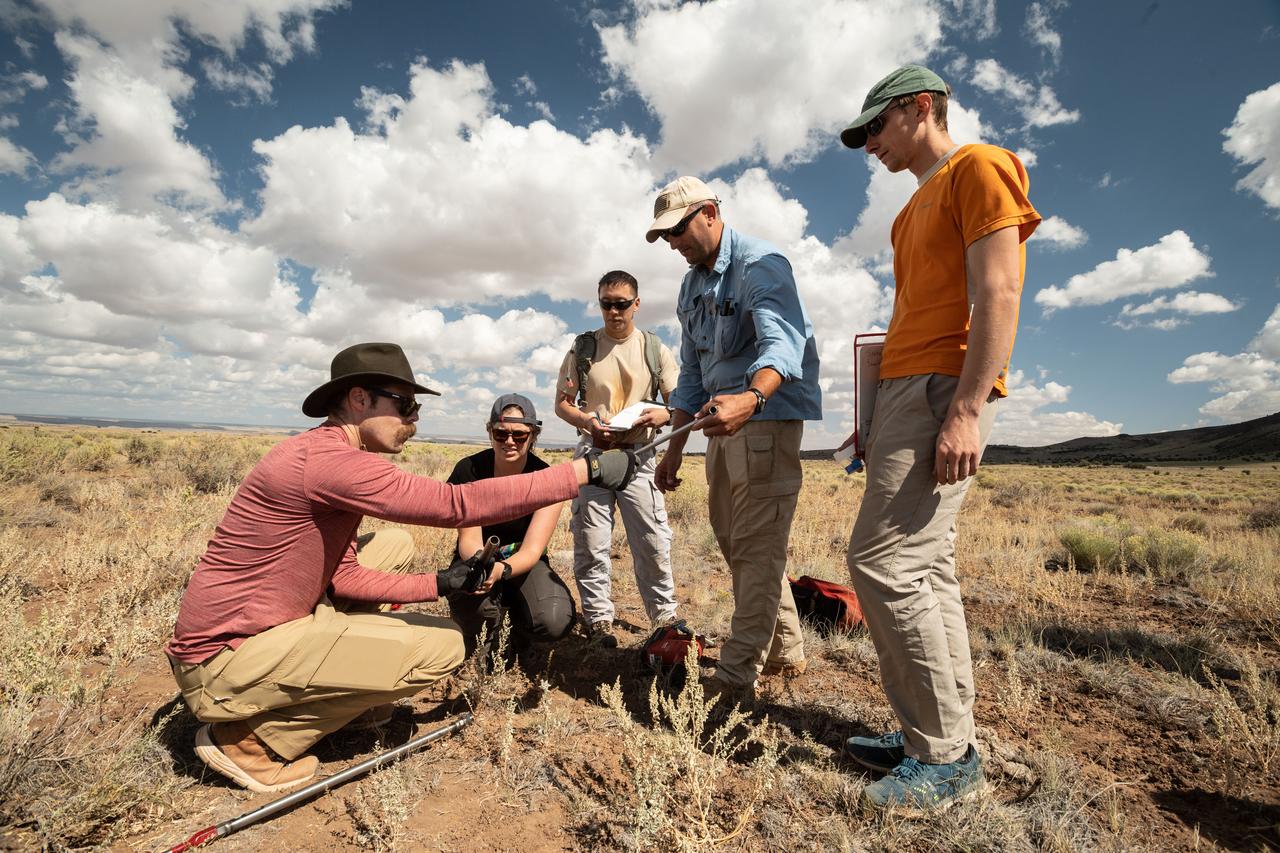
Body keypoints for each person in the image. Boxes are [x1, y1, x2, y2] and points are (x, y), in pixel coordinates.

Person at [165, 343, 636, 793]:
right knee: (444, 646)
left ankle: (347, 688)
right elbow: (456, 505)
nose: (414, 418)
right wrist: (584, 472)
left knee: (392, 544)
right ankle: (252, 743)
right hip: (225, 658)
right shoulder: (333, 462)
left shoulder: (321, 451)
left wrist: (437, 583)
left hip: (247, 633)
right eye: (405, 404)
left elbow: (343, 574)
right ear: (357, 398)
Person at [836, 65, 1041, 812]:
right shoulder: (905, 213)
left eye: (877, 128)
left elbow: (999, 291)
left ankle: (944, 756)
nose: (870, 147)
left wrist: (965, 409)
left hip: (939, 391)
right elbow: (905, 318)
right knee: (927, 570)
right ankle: (937, 735)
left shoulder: (980, 167)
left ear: (921, 107)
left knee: (883, 562)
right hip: (901, 391)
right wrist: (871, 415)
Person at [645, 176, 822, 699]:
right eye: (665, 238)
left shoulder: (760, 264)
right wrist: (674, 451)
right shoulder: (691, 285)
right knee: (737, 543)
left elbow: (782, 344)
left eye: (677, 231)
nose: (673, 244)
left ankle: (736, 676)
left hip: (763, 419)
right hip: (718, 423)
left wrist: (753, 397)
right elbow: (693, 374)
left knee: (756, 549)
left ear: (709, 213)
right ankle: (785, 650)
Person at [554, 270, 681, 648]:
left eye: (621, 304)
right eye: (606, 303)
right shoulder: (583, 348)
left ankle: (665, 620)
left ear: (636, 304)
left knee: (652, 542)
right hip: (594, 454)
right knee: (591, 544)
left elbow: (679, 402)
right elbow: (562, 403)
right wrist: (586, 421)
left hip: (639, 456)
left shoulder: (654, 349)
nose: (614, 311)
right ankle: (598, 622)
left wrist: (665, 414)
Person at [446, 394, 577, 661]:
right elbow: (469, 539)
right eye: (500, 433)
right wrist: (483, 567)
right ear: (490, 432)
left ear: (533, 435)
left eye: (519, 435)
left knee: (554, 620)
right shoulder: (469, 470)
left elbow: (532, 549)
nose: (509, 442)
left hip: (523, 562)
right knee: (475, 607)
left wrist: (502, 570)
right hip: (477, 558)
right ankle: (484, 631)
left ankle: (518, 629)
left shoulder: (546, 478)